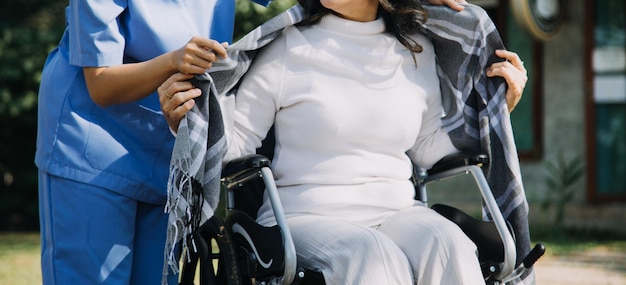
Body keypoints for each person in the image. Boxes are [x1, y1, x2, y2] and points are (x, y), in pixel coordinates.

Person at [34, 0, 471, 284]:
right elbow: (101, 86)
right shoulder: (289, 54)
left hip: (171, 156)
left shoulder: (412, 55)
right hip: (95, 145)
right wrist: (174, 64)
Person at [158, 0, 528, 284]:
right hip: (304, 214)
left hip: (395, 210)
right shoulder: (288, 48)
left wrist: (498, 111)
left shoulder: (417, 50)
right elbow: (237, 143)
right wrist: (184, 123)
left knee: (449, 244)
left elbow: (430, 147)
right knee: (372, 255)